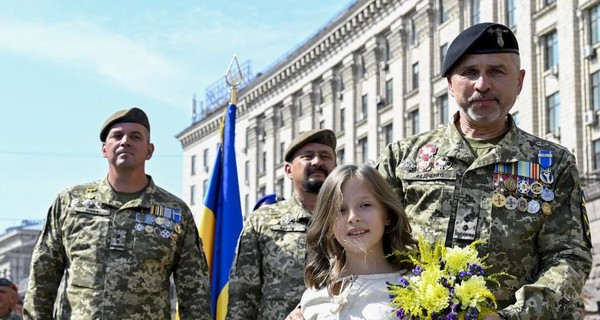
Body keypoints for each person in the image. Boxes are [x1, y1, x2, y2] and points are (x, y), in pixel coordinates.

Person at [375, 22, 593, 319]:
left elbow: (569, 257)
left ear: (519, 81)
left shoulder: (553, 163)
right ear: (450, 84)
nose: (482, 84)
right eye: (469, 73)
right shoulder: (402, 159)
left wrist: (513, 316)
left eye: (497, 71)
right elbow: (361, 239)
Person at [24, 107, 211, 319]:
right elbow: (42, 280)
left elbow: (194, 291)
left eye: (135, 136)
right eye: (117, 136)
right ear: (105, 149)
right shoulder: (70, 203)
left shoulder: (174, 212)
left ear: (149, 151)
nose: (125, 142)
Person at [227, 129, 337, 320]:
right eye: (308, 156)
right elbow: (242, 294)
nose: (317, 162)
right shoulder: (262, 221)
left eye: (325, 156)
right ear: (288, 170)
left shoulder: (352, 220)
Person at [300, 164, 416, 319]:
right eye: (340, 209)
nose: (353, 217)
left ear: (388, 214)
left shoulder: (417, 289)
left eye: (365, 205)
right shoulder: (313, 299)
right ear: (328, 223)